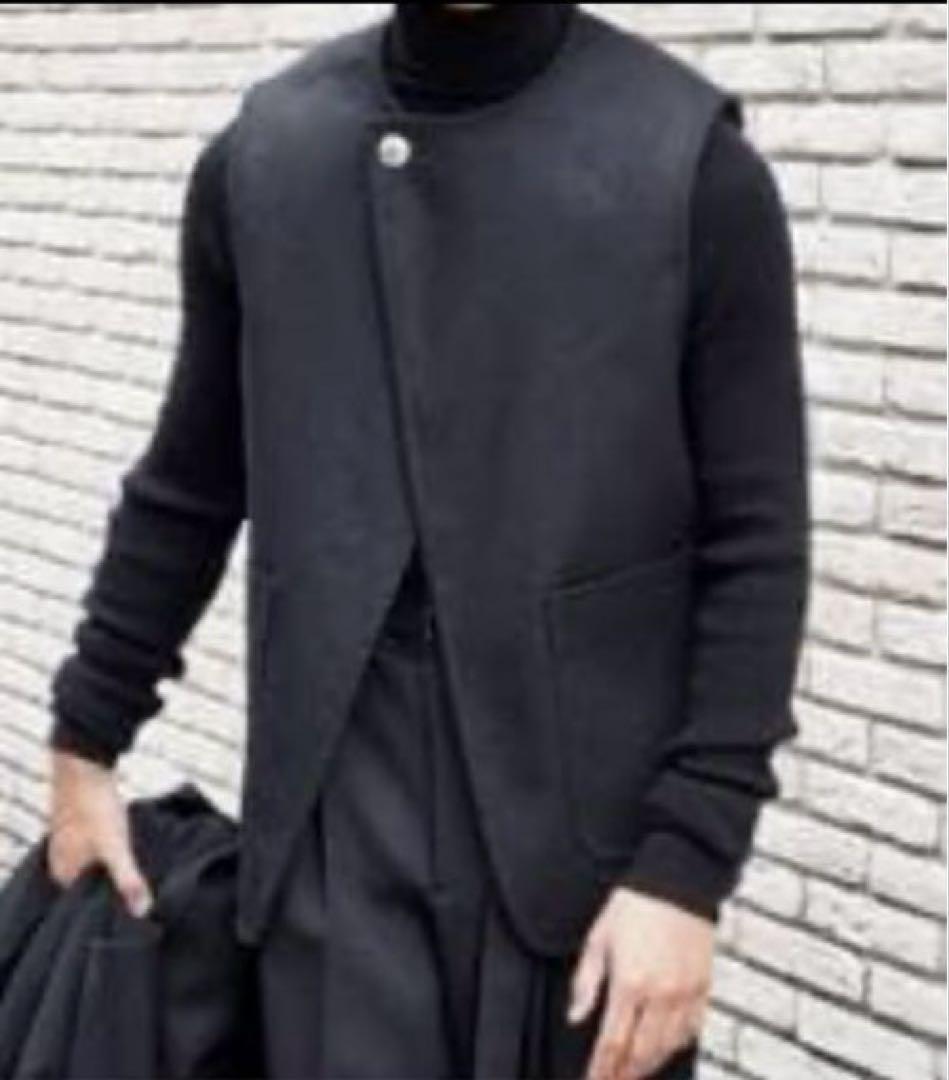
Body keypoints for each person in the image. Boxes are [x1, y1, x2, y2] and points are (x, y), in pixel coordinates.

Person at [44, 4, 810, 1078]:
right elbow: (191, 482)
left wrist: (687, 869)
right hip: (335, 825)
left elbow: (756, 549)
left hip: (586, 858)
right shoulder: (267, 155)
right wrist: (86, 737)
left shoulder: (690, 168)